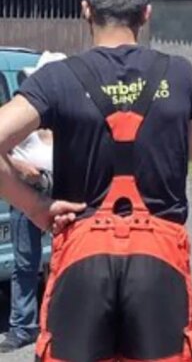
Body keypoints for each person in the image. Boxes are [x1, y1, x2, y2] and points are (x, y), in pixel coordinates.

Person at [0, 0, 192, 361]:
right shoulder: (180, 74)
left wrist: (34, 207)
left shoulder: (57, 78)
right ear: (145, 14)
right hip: (159, 256)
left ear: (85, 10)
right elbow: (190, 152)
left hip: (82, 253)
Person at [0, 52, 66, 353]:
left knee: (64, 261)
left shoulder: (70, 120)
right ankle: (22, 327)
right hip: (27, 195)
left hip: (63, 194)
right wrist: (20, 169)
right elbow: (6, 151)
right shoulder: (26, 117)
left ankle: (60, 323)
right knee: (25, 265)